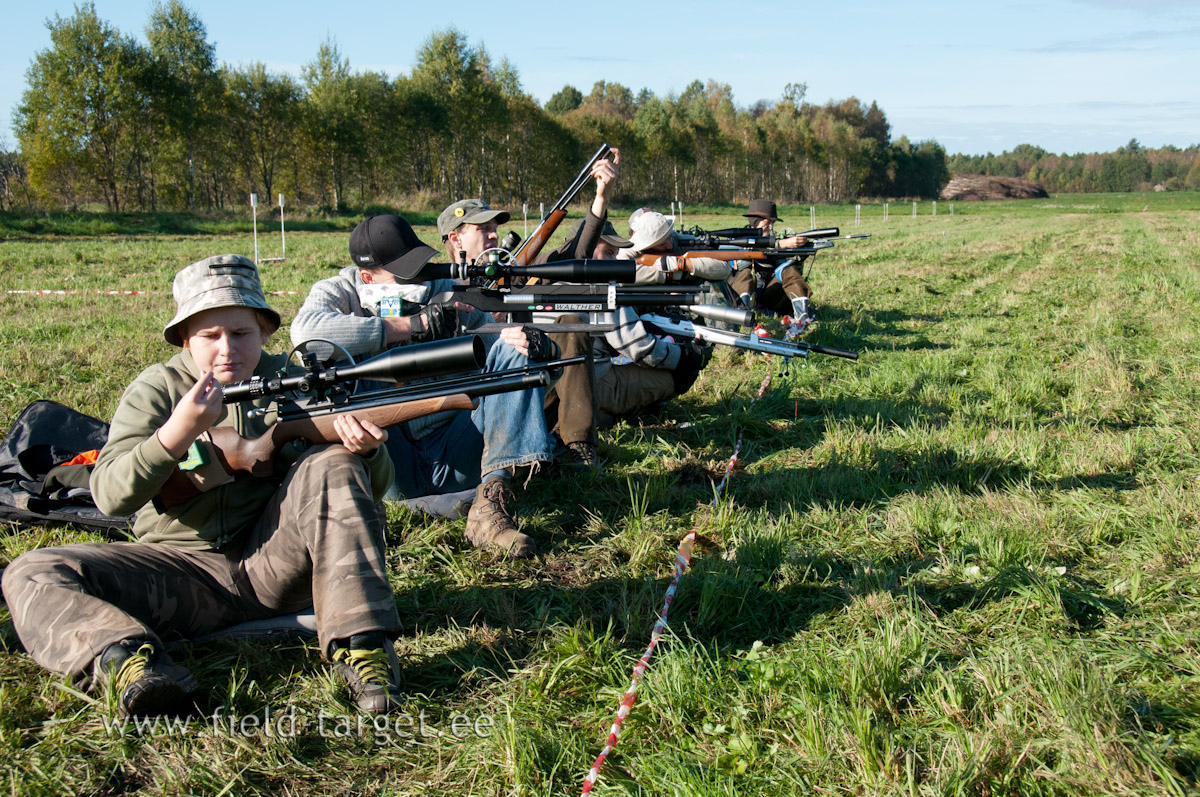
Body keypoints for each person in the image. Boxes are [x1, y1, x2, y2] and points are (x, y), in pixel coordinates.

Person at [1, 255, 404, 718]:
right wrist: (176, 433)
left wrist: (366, 452)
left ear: (265, 331)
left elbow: (371, 491)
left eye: (241, 333)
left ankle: (363, 646)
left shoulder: (297, 381)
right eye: (210, 336)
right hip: (179, 576)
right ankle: (127, 663)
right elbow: (111, 496)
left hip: (280, 569)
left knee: (333, 460)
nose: (226, 349)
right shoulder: (158, 389)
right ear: (185, 338)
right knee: (31, 571)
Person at [290, 213, 559, 558]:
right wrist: (410, 325)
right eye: (403, 273)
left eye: (417, 266)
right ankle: (385, 507)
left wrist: (542, 355)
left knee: (515, 347)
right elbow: (306, 334)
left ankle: (490, 503)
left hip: (457, 448)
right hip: (387, 460)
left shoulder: (447, 292)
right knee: (335, 364)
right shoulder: (339, 292)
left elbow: (507, 368)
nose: (417, 278)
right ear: (367, 277)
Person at [727, 199, 813, 322]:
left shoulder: (774, 239)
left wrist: (799, 257)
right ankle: (742, 315)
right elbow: (743, 259)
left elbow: (784, 267)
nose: (771, 227)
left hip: (768, 296)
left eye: (772, 223)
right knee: (745, 273)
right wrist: (779, 245)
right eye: (767, 223)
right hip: (740, 293)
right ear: (755, 222)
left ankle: (802, 317)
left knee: (789, 269)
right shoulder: (737, 239)